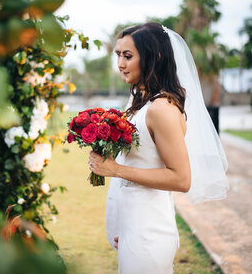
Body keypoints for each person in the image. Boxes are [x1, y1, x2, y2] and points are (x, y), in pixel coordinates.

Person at [88, 22, 229, 274]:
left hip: (149, 232)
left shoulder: (161, 109)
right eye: (118, 55)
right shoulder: (140, 105)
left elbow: (181, 178)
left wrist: (115, 169)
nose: (120, 63)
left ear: (155, 57)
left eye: (128, 56)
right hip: (135, 227)